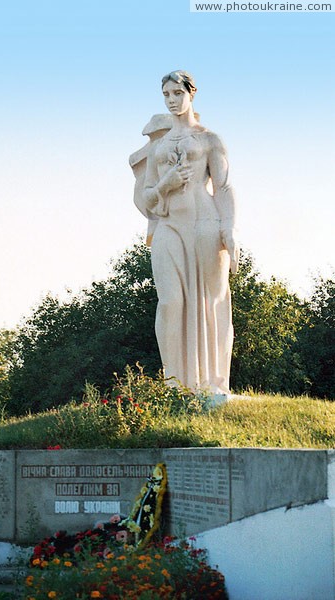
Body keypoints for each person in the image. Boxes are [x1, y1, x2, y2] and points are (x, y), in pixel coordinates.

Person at [130, 70, 239, 394]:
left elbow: (224, 186)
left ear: (191, 94)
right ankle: (175, 383)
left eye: (177, 94)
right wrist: (167, 183)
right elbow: (148, 199)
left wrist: (229, 229)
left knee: (212, 301)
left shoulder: (209, 139)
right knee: (170, 302)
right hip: (169, 227)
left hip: (206, 226)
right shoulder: (159, 148)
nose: (172, 101)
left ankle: (213, 382)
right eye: (166, 95)